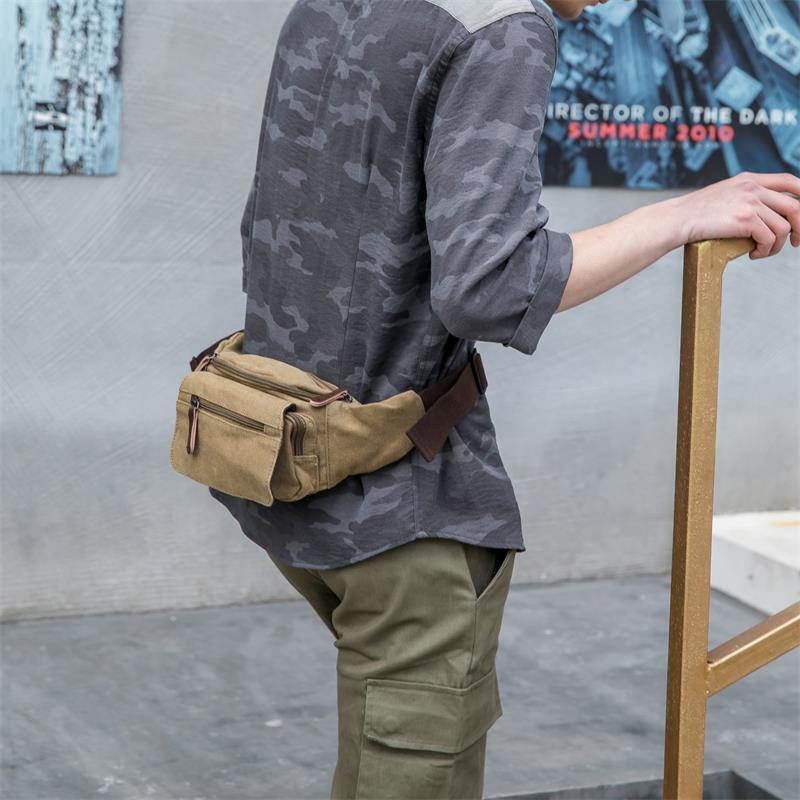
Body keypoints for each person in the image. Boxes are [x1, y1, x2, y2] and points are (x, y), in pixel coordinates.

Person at [208, 0, 800, 796]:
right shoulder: (503, 27)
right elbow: (488, 285)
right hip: (402, 506)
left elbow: (280, 225)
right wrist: (680, 216)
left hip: (279, 453)